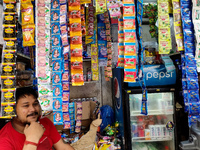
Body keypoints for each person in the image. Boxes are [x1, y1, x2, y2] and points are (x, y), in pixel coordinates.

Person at [0, 87, 74, 150]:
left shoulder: (45, 122)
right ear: (13, 110)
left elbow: (63, 147)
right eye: (26, 106)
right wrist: (32, 139)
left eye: (35, 104)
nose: (32, 109)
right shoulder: (4, 140)